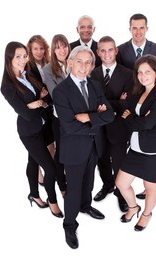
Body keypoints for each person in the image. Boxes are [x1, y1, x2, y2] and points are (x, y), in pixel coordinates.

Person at [53, 46, 114, 249]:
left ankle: (86, 206)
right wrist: (97, 118)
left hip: (94, 145)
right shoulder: (61, 91)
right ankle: (69, 224)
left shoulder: (96, 86)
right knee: (74, 189)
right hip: (74, 149)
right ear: (70, 63)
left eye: (88, 62)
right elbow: (69, 126)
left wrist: (88, 116)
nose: (84, 66)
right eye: (79, 61)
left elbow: (110, 115)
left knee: (89, 183)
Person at [1, 41, 63, 218]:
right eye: (18, 57)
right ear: (9, 58)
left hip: (42, 125)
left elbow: (39, 98)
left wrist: (40, 99)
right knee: (50, 169)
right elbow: (24, 112)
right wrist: (37, 102)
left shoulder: (26, 74)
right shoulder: (7, 85)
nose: (22, 60)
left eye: (24, 56)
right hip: (29, 131)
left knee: (33, 161)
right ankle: (53, 202)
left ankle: (34, 194)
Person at [116, 54, 156, 231]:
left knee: (150, 188)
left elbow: (147, 123)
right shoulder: (137, 93)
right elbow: (130, 118)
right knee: (121, 184)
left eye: (147, 71)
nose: (143, 75)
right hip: (135, 148)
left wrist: (132, 117)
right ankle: (133, 207)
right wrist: (135, 118)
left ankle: (146, 214)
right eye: (140, 72)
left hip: (152, 151)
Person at [91, 36, 134, 212]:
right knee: (101, 159)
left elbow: (128, 102)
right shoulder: (93, 74)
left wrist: (107, 104)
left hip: (119, 126)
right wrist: (117, 101)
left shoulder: (128, 73)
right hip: (99, 128)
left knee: (119, 161)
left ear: (116, 51)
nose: (107, 54)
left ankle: (120, 192)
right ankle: (107, 185)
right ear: (98, 52)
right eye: (103, 50)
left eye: (110, 50)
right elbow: (93, 102)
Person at [43, 34, 71, 196]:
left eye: (64, 46)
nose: (62, 50)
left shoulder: (75, 63)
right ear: (53, 50)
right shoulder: (48, 69)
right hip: (59, 118)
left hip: (78, 117)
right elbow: (56, 95)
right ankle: (62, 184)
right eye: (58, 47)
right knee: (61, 152)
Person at [26, 35, 55, 186]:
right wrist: (42, 96)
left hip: (49, 110)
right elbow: (32, 92)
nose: (39, 52)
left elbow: (52, 89)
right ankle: (39, 176)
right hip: (37, 112)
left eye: (41, 48)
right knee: (36, 149)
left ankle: (51, 172)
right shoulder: (27, 66)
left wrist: (46, 96)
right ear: (30, 50)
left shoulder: (49, 64)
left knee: (50, 143)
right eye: (35, 49)